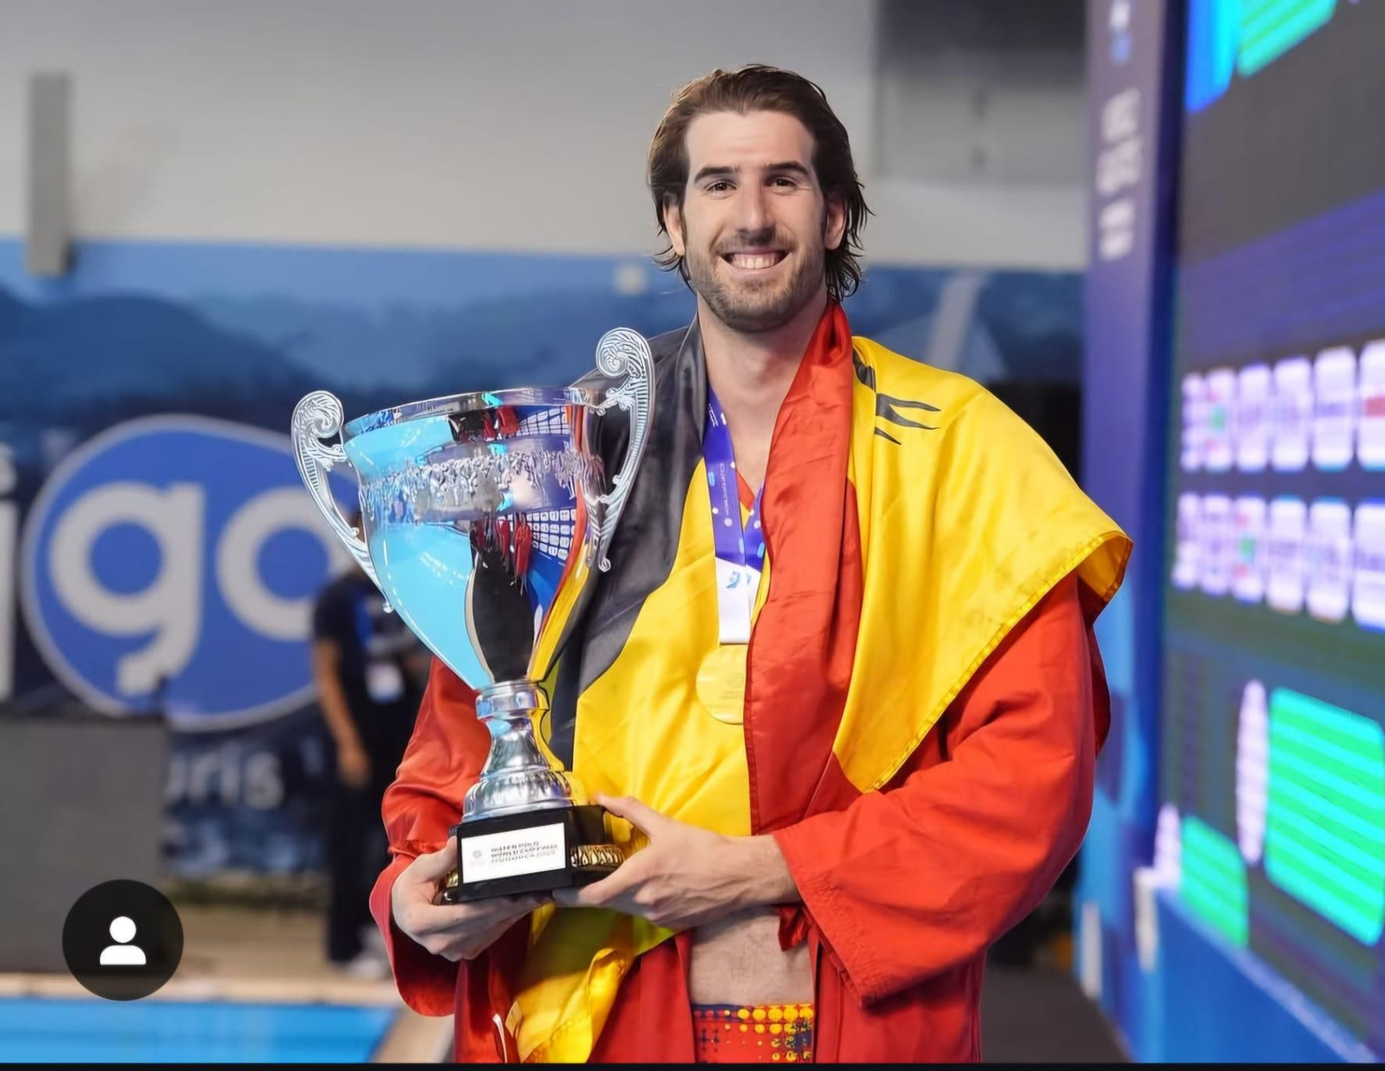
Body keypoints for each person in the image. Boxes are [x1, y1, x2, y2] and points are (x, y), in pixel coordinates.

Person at [370, 65, 1130, 1062]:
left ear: (835, 215)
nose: (752, 214)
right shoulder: (567, 453)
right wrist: (422, 894)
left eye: (784, 180)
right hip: (592, 1017)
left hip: (840, 1017)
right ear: (675, 224)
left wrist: (765, 868)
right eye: (718, 185)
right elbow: (460, 747)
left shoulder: (960, 449)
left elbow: (1032, 776)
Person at [311, 508, 427, 978]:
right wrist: (347, 744)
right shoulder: (337, 600)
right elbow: (326, 676)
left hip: (398, 729)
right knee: (349, 839)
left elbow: (414, 662)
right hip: (356, 733)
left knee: (392, 839)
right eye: (367, 534)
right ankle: (342, 942)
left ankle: (383, 934)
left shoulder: (398, 589)